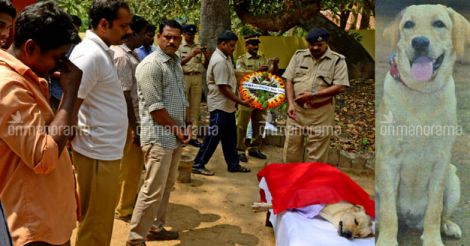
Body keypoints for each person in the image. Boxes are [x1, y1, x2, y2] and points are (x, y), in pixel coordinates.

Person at [0, 1, 81, 245]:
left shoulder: (28, 78)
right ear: (31, 47)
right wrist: (70, 95)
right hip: (32, 224)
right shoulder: (9, 86)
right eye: (57, 57)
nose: (61, 65)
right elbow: (43, 157)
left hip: (45, 218)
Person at [68, 0, 132, 245]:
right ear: (104, 24)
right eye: (123, 25)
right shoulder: (90, 55)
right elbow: (72, 103)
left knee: (101, 222)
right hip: (96, 153)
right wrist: (71, 144)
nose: (128, 31)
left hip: (104, 152)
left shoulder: (101, 51)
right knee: (94, 226)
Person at [127, 20, 190, 245]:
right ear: (158, 37)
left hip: (175, 136)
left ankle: (156, 227)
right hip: (158, 137)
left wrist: (187, 125)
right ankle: (135, 239)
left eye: (176, 37)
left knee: (166, 187)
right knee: (152, 190)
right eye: (168, 37)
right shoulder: (151, 65)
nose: (172, 41)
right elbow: (155, 109)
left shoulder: (175, 63)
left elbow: (182, 98)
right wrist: (178, 130)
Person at [282, 28, 349, 163]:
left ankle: (311, 183)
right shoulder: (298, 56)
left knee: (316, 156)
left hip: (321, 113)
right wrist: (290, 103)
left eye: (319, 45)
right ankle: (291, 181)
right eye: (312, 45)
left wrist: (312, 95)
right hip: (297, 112)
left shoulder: (337, 60)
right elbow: (289, 79)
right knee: (291, 150)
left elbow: (340, 86)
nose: (315, 48)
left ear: (326, 43)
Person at [192, 30, 252, 176]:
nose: (233, 48)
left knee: (230, 136)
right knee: (213, 136)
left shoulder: (225, 57)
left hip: (228, 105)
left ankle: (233, 164)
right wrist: (241, 101)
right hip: (220, 105)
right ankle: (198, 163)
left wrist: (235, 102)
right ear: (222, 44)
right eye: (231, 46)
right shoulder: (219, 61)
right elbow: (223, 87)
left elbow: (229, 84)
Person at [112, 15, 149, 222]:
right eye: (143, 33)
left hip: (131, 116)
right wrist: (134, 126)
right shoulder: (122, 57)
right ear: (133, 33)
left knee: (128, 164)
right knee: (130, 166)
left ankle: (124, 202)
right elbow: (124, 94)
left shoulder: (129, 54)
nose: (145, 38)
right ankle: (124, 208)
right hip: (128, 119)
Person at [235, 34, 279, 162]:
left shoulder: (264, 59)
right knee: (242, 125)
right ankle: (239, 149)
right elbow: (241, 76)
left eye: (256, 44)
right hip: (247, 96)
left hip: (261, 96)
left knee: (259, 123)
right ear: (246, 46)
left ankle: (254, 148)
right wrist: (257, 71)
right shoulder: (241, 60)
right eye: (252, 44)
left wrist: (275, 65)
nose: (255, 47)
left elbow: (272, 74)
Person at [177, 24, 210, 147]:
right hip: (184, 77)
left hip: (197, 77)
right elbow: (177, 64)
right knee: (182, 107)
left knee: (195, 108)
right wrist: (191, 54)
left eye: (193, 34)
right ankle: (181, 134)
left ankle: (193, 136)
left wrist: (206, 57)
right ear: (184, 34)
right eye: (189, 34)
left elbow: (206, 66)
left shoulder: (198, 47)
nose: (191, 36)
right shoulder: (179, 47)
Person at [49, 14, 82, 110]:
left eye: (77, 28)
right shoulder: (56, 44)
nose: (75, 31)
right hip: (55, 91)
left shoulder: (78, 45)